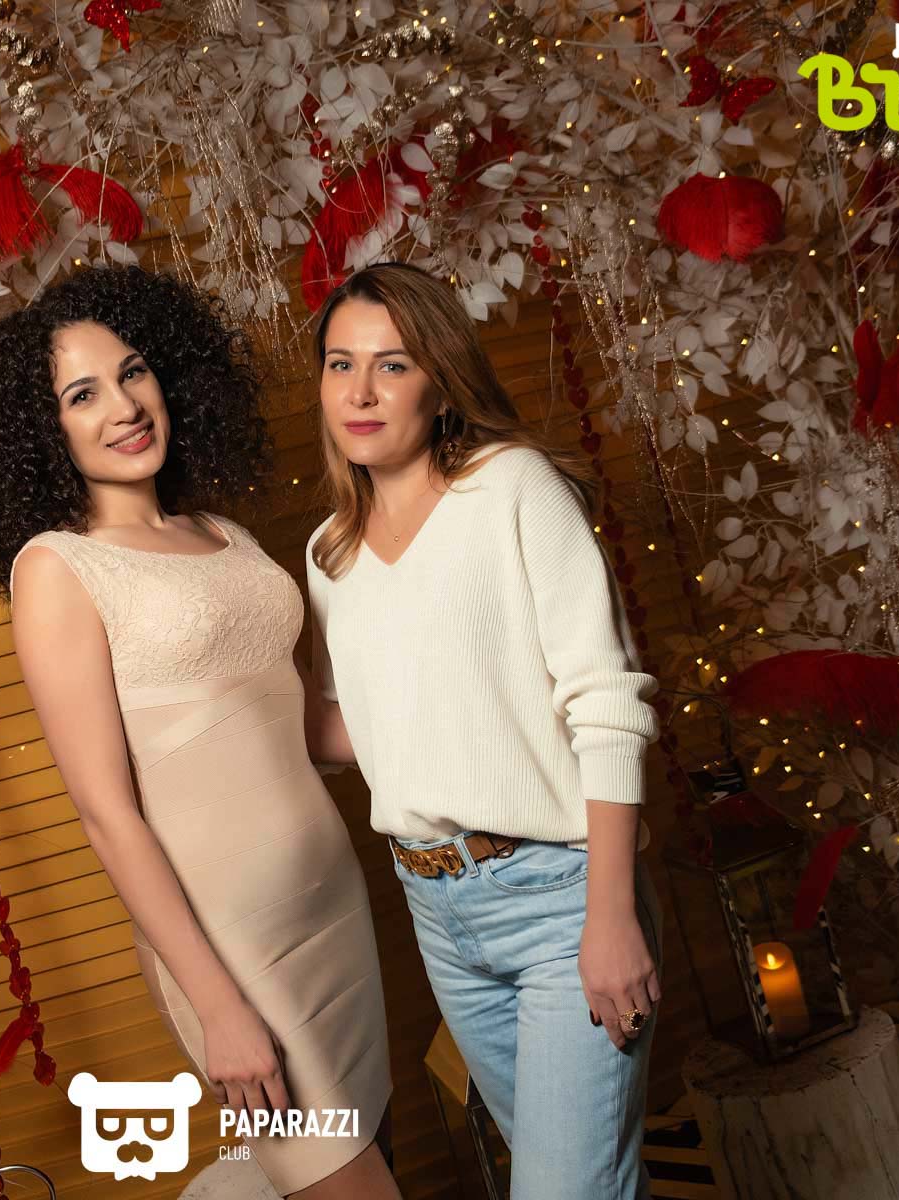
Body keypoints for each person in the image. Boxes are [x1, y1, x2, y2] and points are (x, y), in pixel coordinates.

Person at [0, 264, 401, 1200]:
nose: (125, 407)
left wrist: (463, 725)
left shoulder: (226, 534)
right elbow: (108, 814)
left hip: (336, 910)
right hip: (234, 955)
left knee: (385, 1161)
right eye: (83, 395)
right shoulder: (58, 568)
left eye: (133, 372)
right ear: (44, 431)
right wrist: (217, 1007)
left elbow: (307, 726)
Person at [300, 262, 664, 1198]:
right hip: (437, 912)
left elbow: (607, 703)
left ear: (442, 380)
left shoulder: (512, 488)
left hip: (559, 893)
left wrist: (610, 916)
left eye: (393, 364)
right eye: (341, 364)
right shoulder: (329, 553)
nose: (361, 392)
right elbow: (356, 731)